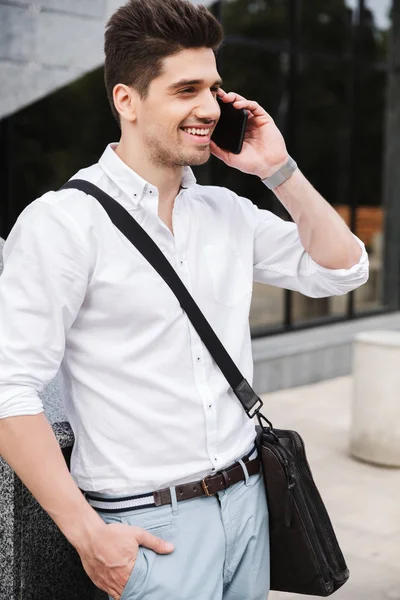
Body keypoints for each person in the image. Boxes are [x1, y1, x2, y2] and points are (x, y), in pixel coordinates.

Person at [0, 1, 368, 599]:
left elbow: (343, 269)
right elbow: (9, 389)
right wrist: (90, 536)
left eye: (215, 89)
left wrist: (278, 171)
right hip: (150, 528)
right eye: (186, 89)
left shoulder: (225, 212)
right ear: (127, 100)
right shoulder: (62, 223)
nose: (208, 108)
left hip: (250, 505)